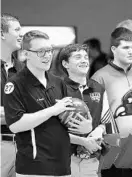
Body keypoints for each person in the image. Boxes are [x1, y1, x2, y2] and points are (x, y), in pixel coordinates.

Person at [3, 30, 89, 177]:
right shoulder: (15, 84)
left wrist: (85, 127)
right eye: (41, 51)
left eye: (49, 50)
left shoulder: (58, 82)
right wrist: (52, 110)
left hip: (63, 166)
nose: (48, 55)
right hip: (34, 168)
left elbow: (64, 121)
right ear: (26, 54)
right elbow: (15, 125)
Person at [91, 27, 132, 177]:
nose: (131, 52)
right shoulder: (99, 77)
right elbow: (95, 117)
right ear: (114, 49)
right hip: (113, 149)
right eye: (125, 48)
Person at [58, 43, 112, 177]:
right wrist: (83, 141)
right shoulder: (56, 89)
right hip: (64, 158)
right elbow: (51, 130)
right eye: (77, 57)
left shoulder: (99, 88)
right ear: (65, 64)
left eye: (85, 57)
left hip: (92, 158)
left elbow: (105, 122)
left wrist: (99, 130)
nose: (83, 60)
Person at [1, 13, 23, 177]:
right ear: (2, 34)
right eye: (17, 30)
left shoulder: (24, 70)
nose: (21, 34)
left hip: (26, 146)